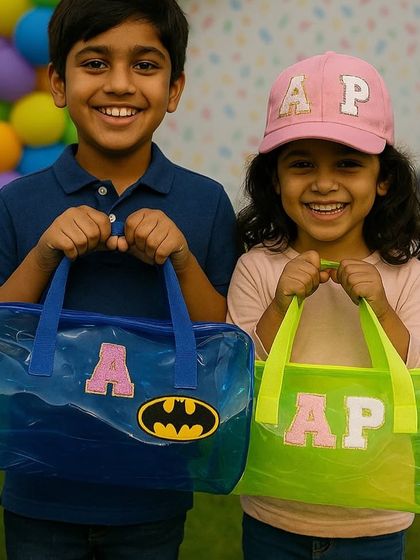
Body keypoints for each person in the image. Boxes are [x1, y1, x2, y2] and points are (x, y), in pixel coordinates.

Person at [0, 1, 238, 558]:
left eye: (145, 65)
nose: (121, 84)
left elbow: (222, 339)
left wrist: (182, 259)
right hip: (38, 487)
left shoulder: (204, 203)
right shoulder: (18, 202)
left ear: (174, 89)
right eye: (95, 63)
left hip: (154, 490)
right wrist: (43, 255)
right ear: (58, 83)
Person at [227, 51, 420, 560]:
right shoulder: (257, 268)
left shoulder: (408, 274)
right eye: (302, 164)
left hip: (376, 515)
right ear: (275, 178)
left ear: (383, 178)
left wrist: (381, 308)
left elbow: (414, 378)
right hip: (274, 508)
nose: (324, 182)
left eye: (348, 164)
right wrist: (278, 305)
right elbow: (237, 381)